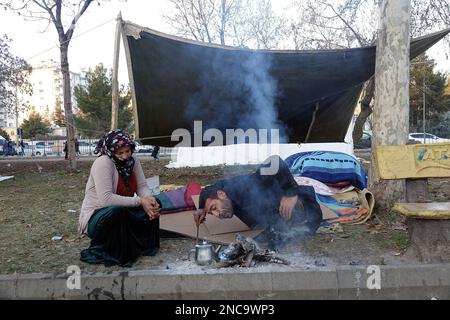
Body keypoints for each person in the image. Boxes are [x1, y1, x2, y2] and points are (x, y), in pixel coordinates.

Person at [193, 155, 323, 250]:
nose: (217, 215)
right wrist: (202, 208)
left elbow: (274, 161)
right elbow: (216, 186)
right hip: (273, 221)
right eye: (212, 212)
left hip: (307, 213)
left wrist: (290, 193)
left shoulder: (249, 187)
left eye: (214, 208)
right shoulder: (227, 191)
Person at [78, 129, 161, 267]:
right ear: (111, 151)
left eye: (127, 151)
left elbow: (141, 186)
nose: (125, 156)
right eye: (120, 153)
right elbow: (106, 199)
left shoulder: (134, 160)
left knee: (156, 202)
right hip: (99, 216)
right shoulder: (103, 163)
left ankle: (142, 245)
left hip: (123, 210)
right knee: (117, 212)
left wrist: (149, 200)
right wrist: (140, 201)